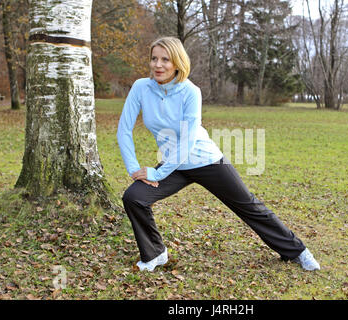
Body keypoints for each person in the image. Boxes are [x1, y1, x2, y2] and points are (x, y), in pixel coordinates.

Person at [117, 36, 320, 272]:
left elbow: (188, 139)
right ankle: (155, 254)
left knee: (249, 206)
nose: (158, 65)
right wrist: (134, 169)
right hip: (174, 165)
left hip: (206, 160)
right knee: (134, 197)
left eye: (166, 59)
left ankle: (298, 251)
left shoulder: (190, 92)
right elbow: (124, 130)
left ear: (178, 63)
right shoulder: (141, 87)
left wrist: (158, 171)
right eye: (154, 59)